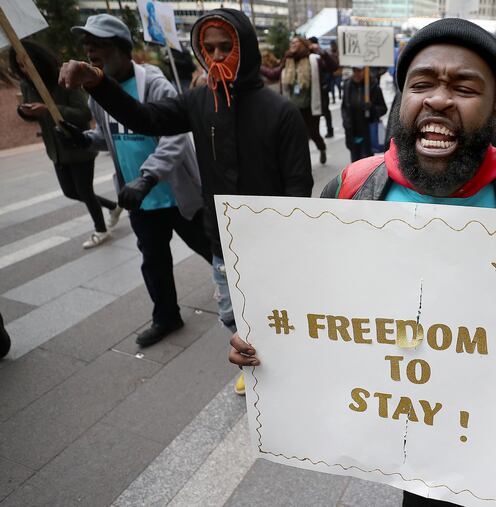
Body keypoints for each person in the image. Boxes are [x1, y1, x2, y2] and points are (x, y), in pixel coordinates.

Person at [228, 20, 496, 506]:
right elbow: (311, 311)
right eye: (422, 83)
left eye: (463, 87)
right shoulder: (351, 189)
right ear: (402, 99)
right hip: (411, 451)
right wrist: (265, 336)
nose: (437, 99)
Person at [59, 9, 313, 386]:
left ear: (245, 48)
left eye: (227, 47)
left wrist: (292, 245)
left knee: (277, 314)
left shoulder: (282, 113)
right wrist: (98, 83)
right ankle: (253, 366)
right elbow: (145, 118)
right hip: (223, 244)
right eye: (208, 48)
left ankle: (283, 372)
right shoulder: (198, 102)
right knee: (232, 315)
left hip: (272, 244)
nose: (216, 56)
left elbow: (298, 190)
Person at [67, 14, 213, 346]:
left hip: (177, 196)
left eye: (99, 45)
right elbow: (112, 136)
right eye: (88, 46)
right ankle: (166, 318)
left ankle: (252, 305)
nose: (91, 52)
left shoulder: (154, 84)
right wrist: (86, 139)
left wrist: (147, 177)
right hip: (140, 201)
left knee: (213, 252)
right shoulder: (99, 92)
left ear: (122, 49)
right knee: (154, 262)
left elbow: (176, 138)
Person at [10, 41, 119, 249]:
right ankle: (112, 206)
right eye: (20, 66)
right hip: (56, 149)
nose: (25, 69)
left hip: (79, 146)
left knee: (85, 191)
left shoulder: (63, 78)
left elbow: (84, 114)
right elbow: (36, 116)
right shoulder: (27, 85)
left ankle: (101, 229)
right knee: (70, 192)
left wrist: (50, 109)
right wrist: (25, 112)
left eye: (27, 63)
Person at [260, 36, 337, 163]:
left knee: (314, 133)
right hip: (293, 108)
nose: (293, 43)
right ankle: (303, 164)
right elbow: (274, 74)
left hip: (310, 107)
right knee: (299, 138)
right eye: (292, 42)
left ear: (304, 44)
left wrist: (321, 51)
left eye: (296, 41)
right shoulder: (288, 60)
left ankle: (321, 147)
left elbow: (333, 67)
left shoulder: (314, 59)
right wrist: (258, 66)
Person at [341, 67, 388, 162]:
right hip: (352, 132)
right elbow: (344, 107)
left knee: (366, 164)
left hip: (368, 133)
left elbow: (383, 109)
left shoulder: (374, 87)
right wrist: (346, 123)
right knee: (354, 163)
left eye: (360, 70)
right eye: (355, 70)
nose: (357, 73)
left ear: (366, 71)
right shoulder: (348, 86)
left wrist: (372, 108)